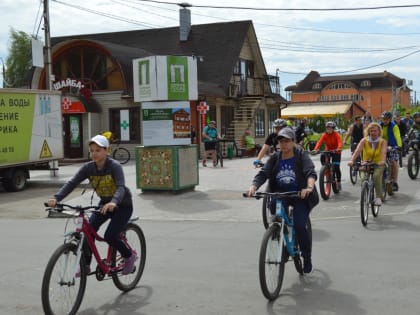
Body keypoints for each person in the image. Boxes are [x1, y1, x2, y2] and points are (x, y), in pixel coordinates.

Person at [46, 135, 137, 276]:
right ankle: (85, 266)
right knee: (88, 231)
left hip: (123, 205)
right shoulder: (88, 168)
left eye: (98, 150)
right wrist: (56, 198)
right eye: (91, 150)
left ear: (107, 151)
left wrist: (114, 202)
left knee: (110, 235)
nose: (94, 153)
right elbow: (72, 183)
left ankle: (129, 256)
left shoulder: (114, 166)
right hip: (105, 204)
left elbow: (121, 187)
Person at [246, 127, 318, 274]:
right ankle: (278, 230)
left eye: (286, 141)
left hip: (300, 195)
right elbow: (264, 173)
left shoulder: (300, 156)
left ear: (293, 142)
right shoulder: (275, 157)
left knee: (298, 225)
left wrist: (309, 187)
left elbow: (310, 172)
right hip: (281, 193)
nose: (283, 144)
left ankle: (306, 257)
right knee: (273, 207)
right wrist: (253, 187)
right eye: (280, 141)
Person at [347, 123, 387, 206]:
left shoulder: (382, 141)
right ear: (368, 132)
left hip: (378, 163)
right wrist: (352, 160)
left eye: (375, 131)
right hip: (366, 163)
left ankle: (379, 197)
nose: (373, 132)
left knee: (376, 176)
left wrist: (382, 161)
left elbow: (383, 152)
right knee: (363, 178)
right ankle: (366, 192)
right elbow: (357, 151)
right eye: (371, 131)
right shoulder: (364, 140)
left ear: (379, 132)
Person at [311, 121, 343, 190]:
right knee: (322, 155)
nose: (328, 130)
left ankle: (338, 181)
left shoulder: (337, 135)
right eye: (327, 128)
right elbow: (319, 142)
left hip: (336, 152)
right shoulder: (324, 135)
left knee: (336, 167)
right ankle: (326, 169)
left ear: (333, 129)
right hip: (328, 150)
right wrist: (315, 149)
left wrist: (339, 148)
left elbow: (340, 142)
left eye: (330, 128)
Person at [380, 111, 402, 191]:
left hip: (392, 146)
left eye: (386, 119)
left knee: (394, 162)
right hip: (382, 147)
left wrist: (399, 145)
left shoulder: (394, 126)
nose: (384, 120)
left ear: (390, 119)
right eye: (383, 119)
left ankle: (395, 182)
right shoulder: (380, 125)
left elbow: (398, 136)